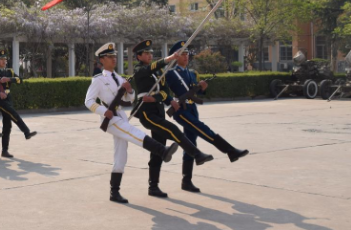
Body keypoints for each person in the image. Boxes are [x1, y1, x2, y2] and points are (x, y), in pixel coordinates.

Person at [84, 42, 179, 204]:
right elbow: (88, 101)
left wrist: (129, 90)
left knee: (121, 155)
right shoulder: (99, 80)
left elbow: (131, 98)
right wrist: (102, 111)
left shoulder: (120, 78)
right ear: (101, 60)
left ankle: (114, 192)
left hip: (120, 114)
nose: (113, 59)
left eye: (114, 56)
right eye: (110, 57)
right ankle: (162, 150)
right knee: (134, 133)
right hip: (110, 117)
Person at [131, 39, 213, 198]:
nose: (149, 55)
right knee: (172, 129)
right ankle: (196, 154)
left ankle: (153, 187)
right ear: (139, 56)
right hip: (147, 112)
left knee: (158, 150)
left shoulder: (157, 73)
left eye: (150, 53)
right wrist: (169, 59)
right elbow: (150, 69)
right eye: (146, 53)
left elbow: (164, 92)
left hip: (158, 110)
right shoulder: (139, 70)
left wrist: (163, 99)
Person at [165, 40, 249, 193]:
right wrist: (169, 100)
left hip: (192, 108)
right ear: (176, 56)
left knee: (190, 143)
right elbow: (163, 89)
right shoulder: (170, 73)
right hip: (181, 110)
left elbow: (193, 91)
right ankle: (229, 150)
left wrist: (202, 88)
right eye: (183, 54)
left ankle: (186, 181)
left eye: (187, 54)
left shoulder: (191, 73)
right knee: (203, 129)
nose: (186, 57)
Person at [0, 48, 37, 158]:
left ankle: (4, 150)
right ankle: (26, 131)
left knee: (7, 126)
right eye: (1, 59)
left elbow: (20, 80)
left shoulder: (9, 72)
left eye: (5, 59)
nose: (4, 61)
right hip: (0, 100)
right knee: (13, 113)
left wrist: (9, 79)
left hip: (8, 98)